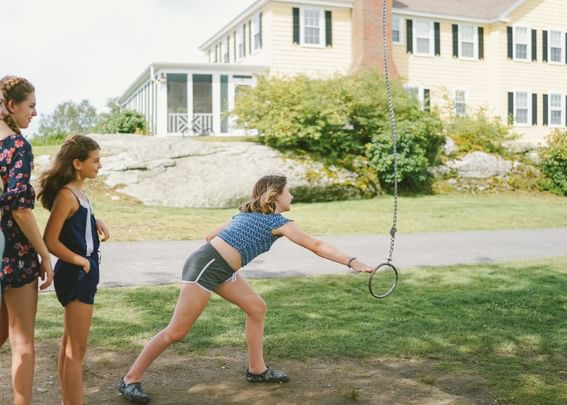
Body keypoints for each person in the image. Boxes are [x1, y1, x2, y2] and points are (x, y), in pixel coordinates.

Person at [118, 174, 373, 403]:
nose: (292, 195)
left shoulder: (246, 214)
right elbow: (316, 245)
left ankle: (257, 370)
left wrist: (232, 258)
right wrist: (351, 261)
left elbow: (210, 236)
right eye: (288, 191)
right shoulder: (278, 222)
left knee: (256, 307)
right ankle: (130, 378)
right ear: (275, 195)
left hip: (217, 267)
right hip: (206, 268)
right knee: (177, 331)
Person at [39, 135, 110, 405]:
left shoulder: (79, 192)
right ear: (77, 163)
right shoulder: (67, 195)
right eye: (95, 160)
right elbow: (50, 240)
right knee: (75, 351)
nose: (99, 165)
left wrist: (96, 221)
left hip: (85, 272)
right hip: (77, 274)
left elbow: (77, 221)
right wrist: (79, 261)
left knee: (70, 345)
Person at [0, 75, 53, 405]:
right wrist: (44, 254)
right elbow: (20, 209)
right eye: (30, 106)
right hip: (14, 255)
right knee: (22, 342)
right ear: (10, 106)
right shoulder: (17, 147)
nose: (35, 112)